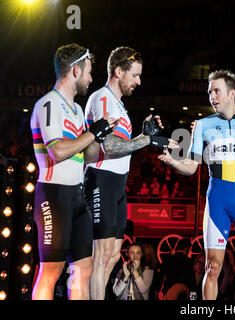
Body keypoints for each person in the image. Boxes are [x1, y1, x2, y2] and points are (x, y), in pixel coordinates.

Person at [158, 70, 235, 300]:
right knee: (213, 267)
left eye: (216, 91)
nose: (212, 96)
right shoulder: (202, 125)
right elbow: (191, 167)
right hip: (217, 204)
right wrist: (172, 161)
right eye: (209, 92)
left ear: (232, 93)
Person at [83, 46, 177, 300]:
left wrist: (144, 135)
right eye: (135, 75)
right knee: (101, 256)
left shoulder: (120, 106)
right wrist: (145, 140)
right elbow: (110, 146)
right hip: (101, 178)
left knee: (114, 255)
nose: (139, 81)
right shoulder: (101, 98)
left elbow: (124, 144)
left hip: (117, 183)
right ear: (118, 71)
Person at [30, 44, 116, 300]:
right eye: (89, 72)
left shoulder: (78, 110)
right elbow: (57, 151)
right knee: (52, 270)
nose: (91, 79)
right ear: (76, 70)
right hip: (53, 196)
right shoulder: (48, 103)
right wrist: (92, 133)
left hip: (77, 196)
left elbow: (85, 156)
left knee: (84, 269)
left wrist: (100, 137)